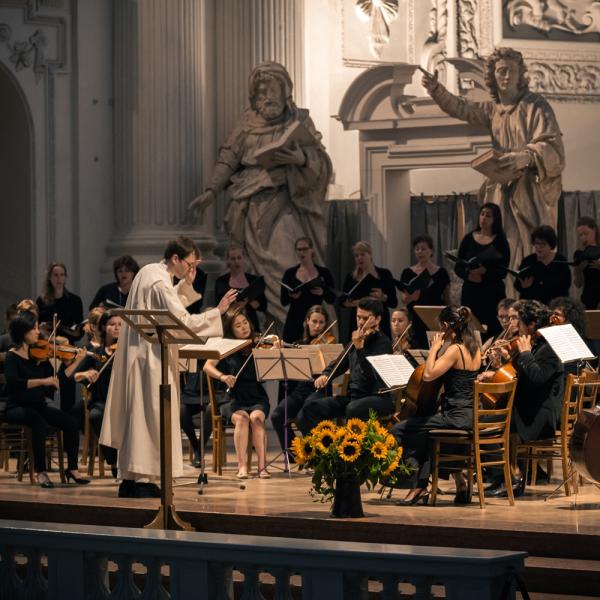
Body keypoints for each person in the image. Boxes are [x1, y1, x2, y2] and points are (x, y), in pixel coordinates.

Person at [189, 61, 332, 326]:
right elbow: (228, 158)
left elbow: (320, 163)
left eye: (272, 89)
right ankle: (263, 331)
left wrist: (301, 159)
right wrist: (211, 190)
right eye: (261, 91)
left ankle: (297, 328)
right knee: (254, 272)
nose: (266, 96)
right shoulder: (246, 124)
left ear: (285, 90)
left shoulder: (299, 120)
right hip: (250, 209)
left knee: (285, 264)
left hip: (285, 204)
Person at [99, 236, 237, 498]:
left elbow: (162, 309)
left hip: (140, 355)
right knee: (150, 417)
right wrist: (217, 311)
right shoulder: (160, 280)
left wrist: (185, 285)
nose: (191, 268)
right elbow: (181, 321)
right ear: (176, 258)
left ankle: (131, 478)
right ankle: (143, 478)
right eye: (190, 263)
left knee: (138, 417)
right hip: (152, 357)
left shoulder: (148, 272)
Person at [421, 47, 565, 271]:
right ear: (493, 76)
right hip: (501, 187)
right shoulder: (493, 110)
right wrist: (437, 90)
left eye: (511, 71)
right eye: (501, 71)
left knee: (527, 244)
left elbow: (554, 147)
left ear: (520, 75)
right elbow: (461, 108)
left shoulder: (536, 105)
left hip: (528, 191)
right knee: (502, 244)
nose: (506, 76)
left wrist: (526, 156)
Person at [392, 306, 481, 506]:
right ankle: (421, 486)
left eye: (441, 326)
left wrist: (434, 349)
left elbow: (429, 374)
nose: (439, 331)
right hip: (469, 416)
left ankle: (413, 484)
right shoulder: (475, 347)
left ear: (448, 326)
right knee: (425, 433)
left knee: (401, 429)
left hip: (455, 417)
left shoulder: (454, 350)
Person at [482, 300, 564, 498]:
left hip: (540, 416)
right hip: (528, 408)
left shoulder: (549, 348)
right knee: (485, 421)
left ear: (532, 324)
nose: (515, 328)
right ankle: (503, 477)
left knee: (485, 426)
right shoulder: (535, 344)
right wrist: (502, 363)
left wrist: (525, 354)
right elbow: (518, 375)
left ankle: (512, 478)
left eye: (518, 322)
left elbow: (537, 378)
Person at [3, 311, 89, 488]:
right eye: (33, 329)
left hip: (38, 406)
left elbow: (59, 380)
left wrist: (77, 361)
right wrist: (42, 381)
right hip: (16, 407)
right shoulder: (12, 356)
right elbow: (14, 383)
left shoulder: (40, 356)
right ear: (22, 332)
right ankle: (41, 472)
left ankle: (72, 469)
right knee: (38, 421)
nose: (37, 332)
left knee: (71, 422)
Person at [295, 298, 392, 434]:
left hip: (377, 397)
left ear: (377, 319)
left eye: (365, 318)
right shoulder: (356, 340)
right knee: (310, 409)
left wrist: (360, 349)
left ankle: (347, 449)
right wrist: (326, 375)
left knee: (352, 409)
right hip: (355, 396)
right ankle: (321, 451)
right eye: (359, 317)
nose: (361, 322)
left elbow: (371, 375)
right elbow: (339, 363)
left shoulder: (383, 343)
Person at [203, 309, 271, 479]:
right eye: (238, 325)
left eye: (245, 323)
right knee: (242, 418)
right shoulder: (226, 345)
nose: (243, 328)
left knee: (256, 418)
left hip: (256, 395)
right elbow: (207, 366)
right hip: (232, 397)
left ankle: (262, 468)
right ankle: (242, 467)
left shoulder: (259, 343)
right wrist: (223, 376)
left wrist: (273, 349)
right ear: (231, 329)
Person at [271, 305, 334, 457]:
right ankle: (295, 455)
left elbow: (334, 368)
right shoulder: (299, 343)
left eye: (321, 323)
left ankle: (317, 454)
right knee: (277, 415)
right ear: (307, 321)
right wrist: (278, 349)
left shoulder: (329, 344)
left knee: (303, 416)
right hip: (300, 391)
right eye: (314, 321)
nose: (318, 326)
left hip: (320, 391)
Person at [71, 310, 122, 475]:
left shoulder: (126, 351)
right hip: (101, 401)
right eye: (112, 324)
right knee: (96, 416)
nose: (117, 328)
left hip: (122, 401)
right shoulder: (95, 353)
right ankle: (114, 462)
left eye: (120, 325)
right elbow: (75, 376)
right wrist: (86, 374)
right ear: (103, 327)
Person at [455, 203, 510, 339]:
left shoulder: (500, 241)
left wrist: (485, 272)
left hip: (492, 292)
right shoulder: (468, 239)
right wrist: (469, 275)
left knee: (492, 330)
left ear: (495, 219)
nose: (484, 218)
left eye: (488, 215)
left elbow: (503, 271)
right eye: (482, 214)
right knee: (470, 328)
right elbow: (458, 266)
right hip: (471, 291)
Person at [340, 241, 397, 343]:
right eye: (356, 256)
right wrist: (358, 303)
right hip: (358, 320)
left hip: (379, 320)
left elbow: (394, 302)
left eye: (362, 254)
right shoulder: (351, 277)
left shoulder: (384, 274)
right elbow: (342, 302)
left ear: (370, 254)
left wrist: (382, 297)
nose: (359, 258)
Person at [398, 235, 450, 349]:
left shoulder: (441, 272)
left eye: (423, 249)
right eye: (417, 249)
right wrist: (412, 298)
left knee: (435, 347)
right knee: (415, 347)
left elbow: (447, 298)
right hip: (415, 316)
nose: (420, 252)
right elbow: (403, 299)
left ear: (431, 251)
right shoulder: (407, 272)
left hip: (435, 316)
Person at [280, 237, 335, 343]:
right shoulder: (290, 273)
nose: (302, 252)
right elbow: (283, 301)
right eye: (299, 249)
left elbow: (332, 298)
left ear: (311, 250)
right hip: (295, 320)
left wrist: (323, 292)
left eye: (305, 249)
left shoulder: (324, 272)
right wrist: (291, 296)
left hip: (316, 322)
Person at [215, 244, 267, 332]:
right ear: (228, 261)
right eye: (233, 259)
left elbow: (263, 305)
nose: (236, 261)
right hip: (231, 323)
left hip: (251, 322)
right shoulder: (221, 281)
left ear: (244, 259)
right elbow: (218, 305)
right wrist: (236, 304)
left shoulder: (253, 280)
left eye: (239, 258)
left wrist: (250, 302)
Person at [514, 225, 571, 305]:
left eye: (543, 244)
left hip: (554, 309)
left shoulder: (560, 261)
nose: (539, 247)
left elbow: (565, 286)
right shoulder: (528, 261)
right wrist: (524, 287)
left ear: (551, 245)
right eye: (537, 243)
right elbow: (517, 285)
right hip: (531, 308)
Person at [36, 263, 84, 344]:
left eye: (62, 275)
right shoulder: (41, 301)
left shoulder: (75, 300)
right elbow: (36, 327)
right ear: (49, 278)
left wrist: (65, 338)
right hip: (47, 344)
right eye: (55, 275)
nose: (59, 278)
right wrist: (42, 331)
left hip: (67, 345)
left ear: (65, 277)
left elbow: (80, 330)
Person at [573, 216, 600, 310]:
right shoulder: (579, 254)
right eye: (580, 235)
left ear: (594, 231)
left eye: (586, 234)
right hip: (588, 299)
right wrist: (579, 270)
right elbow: (578, 284)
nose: (583, 237)